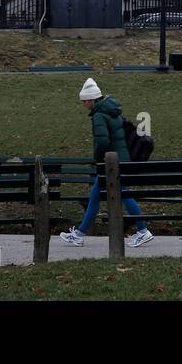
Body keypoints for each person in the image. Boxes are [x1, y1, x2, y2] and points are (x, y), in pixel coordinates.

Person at [60, 78, 153, 247]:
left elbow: (102, 142)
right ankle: (80, 234)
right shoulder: (112, 112)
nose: (83, 105)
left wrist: (97, 158)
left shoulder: (99, 116)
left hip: (111, 163)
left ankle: (143, 230)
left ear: (90, 100)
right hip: (120, 159)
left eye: (84, 101)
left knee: (123, 194)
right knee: (96, 196)